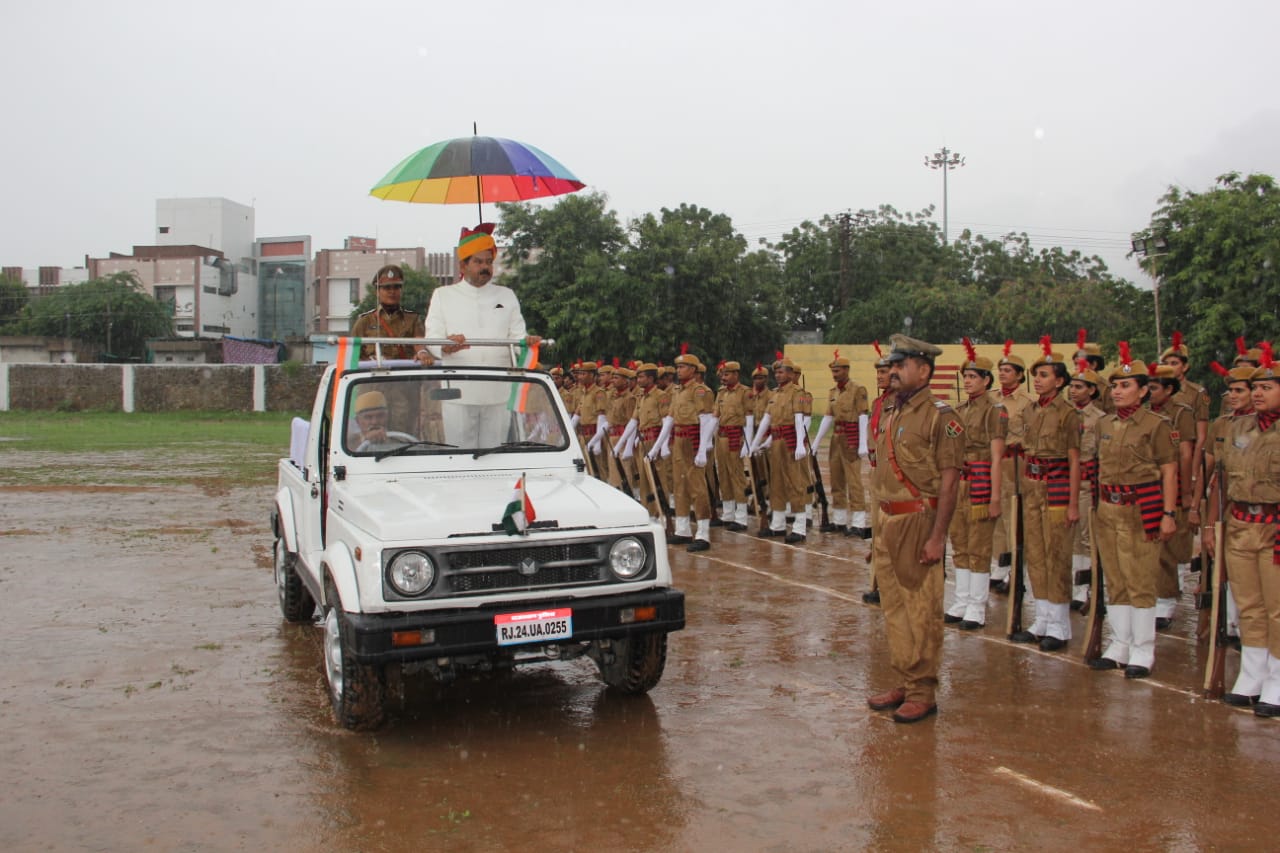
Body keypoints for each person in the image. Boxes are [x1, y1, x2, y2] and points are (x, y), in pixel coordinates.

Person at [865, 335, 963, 724]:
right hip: (887, 519)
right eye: (891, 365)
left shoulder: (941, 416)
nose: (892, 371)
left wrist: (938, 536)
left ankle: (924, 689)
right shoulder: (891, 410)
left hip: (918, 519)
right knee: (894, 607)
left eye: (900, 365)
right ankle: (906, 679)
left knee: (922, 608)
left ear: (923, 370)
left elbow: (950, 480)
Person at [1087, 344, 1178, 679]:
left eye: (1126, 386)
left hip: (1141, 509)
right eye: (1114, 386)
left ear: (1143, 391)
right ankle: (1120, 643)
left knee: (1140, 580)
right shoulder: (1104, 424)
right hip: (1108, 508)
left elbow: (1169, 470)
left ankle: (1143, 648)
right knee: (1116, 580)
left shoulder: (1156, 425)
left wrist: (1169, 513)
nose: (1118, 391)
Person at [1210, 346, 1280, 715]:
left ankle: (1277, 679)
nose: (1257, 393)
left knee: (1277, 607)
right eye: (1255, 387)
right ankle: (1252, 675)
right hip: (1241, 524)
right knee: (1249, 604)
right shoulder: (1238, 428)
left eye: (1266, 387)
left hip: (1275, 525)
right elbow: (1220, 480)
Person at [1012, 340, 1081, 652]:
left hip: (1057, 486)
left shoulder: (1068, 414)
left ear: (1060, 381)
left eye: (1044, 374)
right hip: (1033, 486)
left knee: (1057, 556)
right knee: (1036, 554)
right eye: (1035, 375)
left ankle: (1059, 624)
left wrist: (1073, 503)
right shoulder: (1030, 410)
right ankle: (1041, 617)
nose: (1037, 379)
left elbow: (1074, 460)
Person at [944, 339, 1005, 630]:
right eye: (965, 377)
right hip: (960, 482)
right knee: (959, 542)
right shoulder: (959, 410)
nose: (967, 382)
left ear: (986, 380)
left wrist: (995, 496)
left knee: (979, 545)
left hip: (981, 481)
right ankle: (961, 598)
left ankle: (977, 606)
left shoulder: (994, 410)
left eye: (973, 377)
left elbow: (997, 457)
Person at [424, 224, 541, 366]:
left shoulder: (506, 295)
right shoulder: (442, 295)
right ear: (463, 266)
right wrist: (444, 346)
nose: (485, 267)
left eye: (489, 262)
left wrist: (527, 343)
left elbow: (518, 337)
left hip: (501, 380)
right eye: (478, 262)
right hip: (458, 380)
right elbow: (432, 337)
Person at [1147, 364, 1197, 630]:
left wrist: (1186, 492)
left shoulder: (1180, 414)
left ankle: (1165, 602)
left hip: (1172, 483)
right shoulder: (1145, 414)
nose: (1149, 392)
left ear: (1169, 389)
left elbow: (1186, 453)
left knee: (1168, 548)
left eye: (1154, 388)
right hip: (1148, 485)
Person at [989, 341, 1035, 593]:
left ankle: (1018, 569)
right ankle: (1000, 563)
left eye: (1009, 370)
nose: (1003, 373)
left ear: (1019, 375)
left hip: (1016, 462)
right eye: (1002, 369)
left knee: (1014, 515)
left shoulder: (1027, 402)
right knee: (995, 515)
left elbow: (1032, 436)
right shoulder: (991, 398)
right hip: (993, 460)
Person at [750, 356, 810, 543]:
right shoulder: (774, 394)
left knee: (794, 482)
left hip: (791, 440)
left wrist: (801, 443)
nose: (777, 375)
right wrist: (755, 443)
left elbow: (800, 419)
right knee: (775, 482)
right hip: (775, 441)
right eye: (776, 372)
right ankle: (778, 524)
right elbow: (767, 420)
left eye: (781, 371)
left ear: (791, 374)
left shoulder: (797, 392)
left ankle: (800, 527)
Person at [813, 350, 870, 537]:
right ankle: (839, 520)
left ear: (846, 370)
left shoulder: (858, 389)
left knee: (854, 481)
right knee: (836, 480)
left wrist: (863, 443)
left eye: (837, 371)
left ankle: (858, 523)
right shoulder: (833, 392)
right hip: (836, 439)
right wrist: (816, 441)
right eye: (833, 371)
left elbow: (863, 416)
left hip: (851, 437)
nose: (835, 374)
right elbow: (828, 417)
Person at [668, 349, 717, 552]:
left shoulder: (701, 391)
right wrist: (660, 445)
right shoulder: (677, 391)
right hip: (679, 439)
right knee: (680, 485)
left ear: (693, 370)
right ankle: (682, 529)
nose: (679, 370)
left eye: (683, 367)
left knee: (697, 487)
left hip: (693, 439)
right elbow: (670, 419)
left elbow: (707, 421)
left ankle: (703, 533)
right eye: (678, 367)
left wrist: (702, 449)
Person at [1068, 361, 1107, 612]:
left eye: (1079, 386)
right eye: (1071, 385)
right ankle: (1073, 584)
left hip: (1085, 481)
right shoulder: (1064, 413)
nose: (1073, 390)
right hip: (1063, 479)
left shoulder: (1100, 419)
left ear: (1092, 390)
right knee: (1069, 536)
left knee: (1085, 535)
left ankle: (1085, 588)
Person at [349, 265, 435, 365]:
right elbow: (353, 356)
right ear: (377, 292)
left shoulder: (413, 319)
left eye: (396, 287)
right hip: (375, 376)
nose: (392, 291)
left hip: (406, 377)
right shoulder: (365, 321)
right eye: (387, 288)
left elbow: (419, 343)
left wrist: (422, 353)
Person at [714, 360, 751, 531]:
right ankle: (728, 512)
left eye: (727, 374)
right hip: (721, 436)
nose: (724, 378)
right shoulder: (721, 393)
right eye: (722, 374)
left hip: (735, 436)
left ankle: (741, 516)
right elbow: (716, 415)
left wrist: (748, 442)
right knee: (723, 474)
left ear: (736, 374)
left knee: (737, 475)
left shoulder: (745, 392)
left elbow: (749, 418)